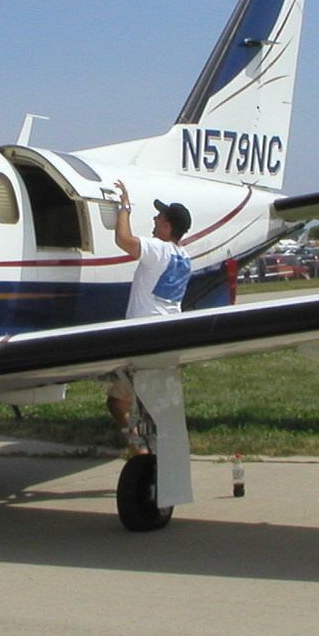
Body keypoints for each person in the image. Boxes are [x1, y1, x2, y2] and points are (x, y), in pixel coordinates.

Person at [106, 180, 192, 444]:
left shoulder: (158, 250)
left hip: (145, 335)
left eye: (159, 216)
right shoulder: (185, 256)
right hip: (170, 334)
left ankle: (140, 449)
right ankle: (155, 443)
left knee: (119, 402)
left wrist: (124, 207)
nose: (155, 219)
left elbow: (123, 239)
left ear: (168, 226)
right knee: (149, 399)